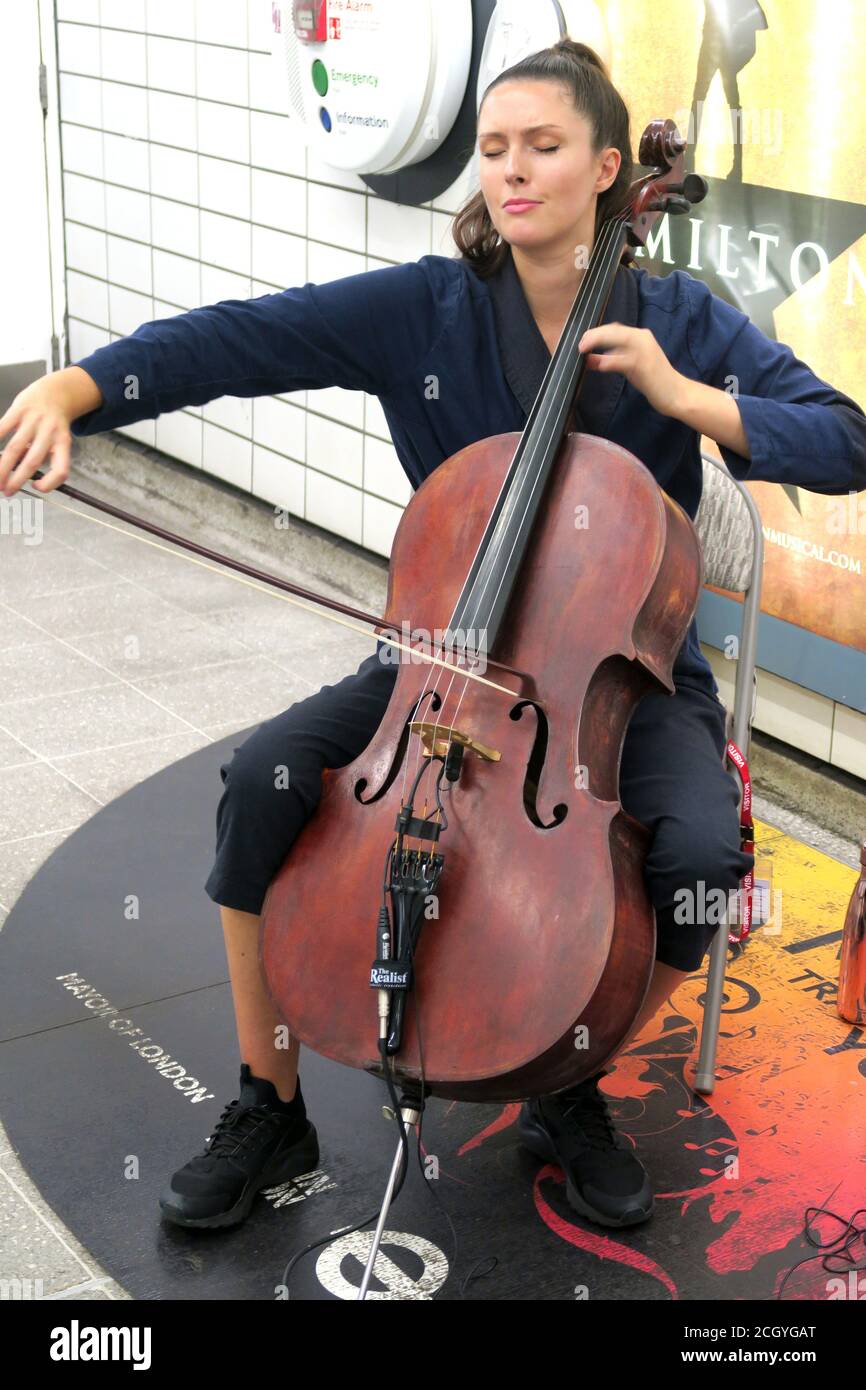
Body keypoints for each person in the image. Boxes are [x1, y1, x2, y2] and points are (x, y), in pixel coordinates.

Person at [2, 38, 864, 1237]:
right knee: (263, 782)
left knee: (701, 866)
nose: (509, 171)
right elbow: (244, 338)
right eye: (493, 149)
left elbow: (844, 438)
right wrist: (79, 390)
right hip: (437, 659)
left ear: (610, 170)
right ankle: (270, 1099)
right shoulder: (428, 308)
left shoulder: (676, 320)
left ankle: (569, 1066)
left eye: (542, 147)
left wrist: (687, 399)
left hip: (620, 679)